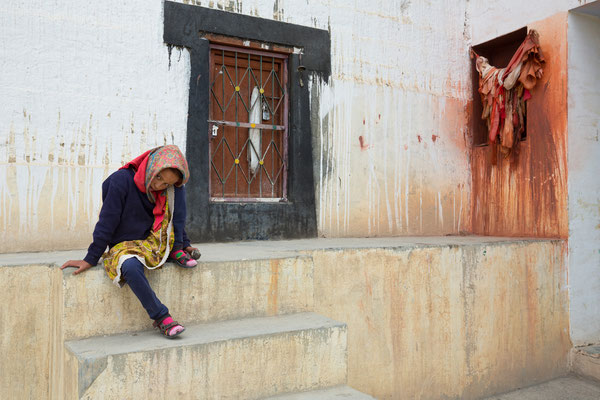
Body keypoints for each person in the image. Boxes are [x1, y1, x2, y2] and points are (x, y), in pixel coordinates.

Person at [61, 145, 200, 338]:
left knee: (178, 192)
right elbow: (107, 222)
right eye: (158, 177)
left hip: (153, 242)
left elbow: (175, 216)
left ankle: (178, 251)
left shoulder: (170, 189)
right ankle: (161, 317)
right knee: (131, 267)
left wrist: (184, 242)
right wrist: (91, 258)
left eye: (166, 184)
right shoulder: (120, 181)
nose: (158, 186)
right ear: (150, 165)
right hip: (124, 246)